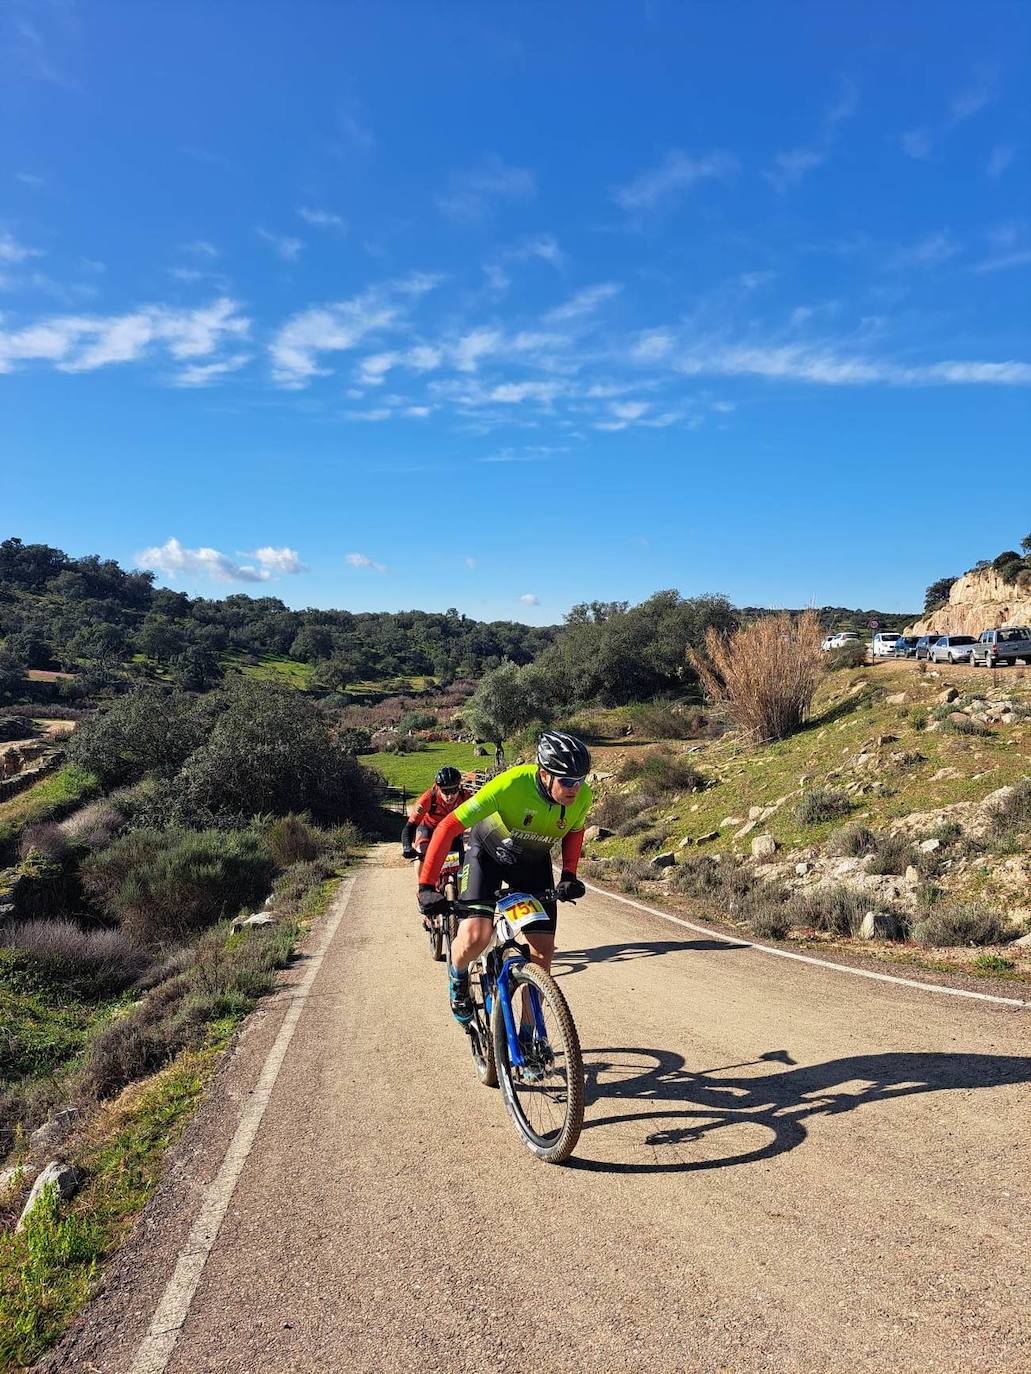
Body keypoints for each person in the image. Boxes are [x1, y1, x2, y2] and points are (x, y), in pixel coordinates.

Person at [417, 731, 593, 1026]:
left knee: (542, 953)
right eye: (566, 781)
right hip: (487, 857)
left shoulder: (581, 797)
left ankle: (528, 1035)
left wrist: (570, 874)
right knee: (476, 937)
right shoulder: (509, 785)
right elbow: (448, 827)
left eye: (580, 780)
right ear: (544, 774)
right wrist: (425, 886)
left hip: (533, 864)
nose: (575, 788)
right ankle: (458, 977)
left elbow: (574, 831)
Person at [401, 767, 470, 877]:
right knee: (421, 855)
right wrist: (407, 847)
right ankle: (423, 890)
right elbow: (410, 826)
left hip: (451, 832)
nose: (450, 796)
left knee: (461, 865)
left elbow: (480, 819)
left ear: (459, 787)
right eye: (445, 791)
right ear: (438, 788)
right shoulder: (429, 798)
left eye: (453, 791)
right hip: (428, 829)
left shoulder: (465, 797)